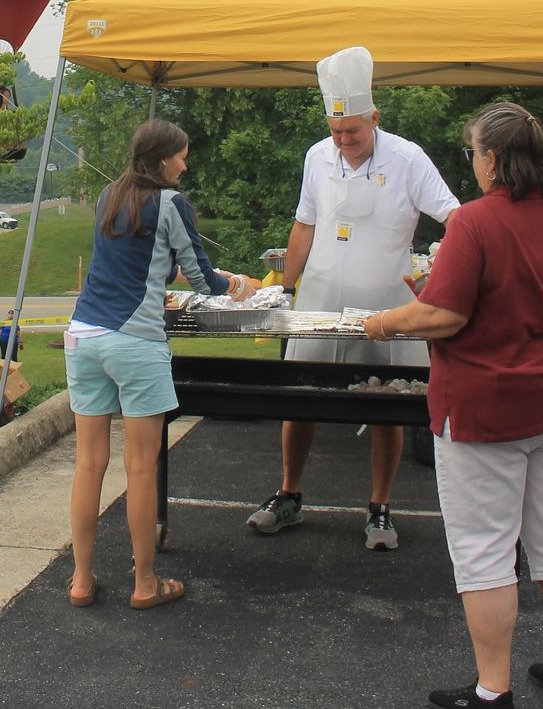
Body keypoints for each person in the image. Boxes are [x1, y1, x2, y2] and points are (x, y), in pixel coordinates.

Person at [365, 102, 543, 709]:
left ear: (494, 159)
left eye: (475, 152)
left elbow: (444, 316)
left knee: (485, 550)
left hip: (491, 405)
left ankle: (492, 689)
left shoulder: (474, 223)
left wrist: (382, 322)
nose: (472, 163)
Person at [248, 46, 458, 550]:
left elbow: (457, 218)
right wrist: (282, 285)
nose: (344, 142)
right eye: (337, 132)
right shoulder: (317, 157)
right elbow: (304, 224)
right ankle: (289, 493)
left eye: (354, 133)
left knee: (385, 402)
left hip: (388, 311)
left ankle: (380, 506)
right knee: (300, 398)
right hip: (318, 302)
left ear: (374, 118)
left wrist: (446, 265)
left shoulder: (407, 159)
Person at [66, 119, 260, 610]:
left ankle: (82, 580)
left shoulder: (109, 194)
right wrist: (242, 286)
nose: (185, 163)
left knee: (89, 465)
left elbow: (140, 258)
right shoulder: (172, 202)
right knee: (140, 469)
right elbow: (200, 278)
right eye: (181, 155)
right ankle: (145, 583)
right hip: (135, 342)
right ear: (161, 160)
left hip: (84, 335)